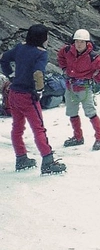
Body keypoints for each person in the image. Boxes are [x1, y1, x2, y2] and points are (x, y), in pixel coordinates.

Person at [1, 24, 66, 174]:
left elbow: (3, 59)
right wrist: (39, 90)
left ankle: (21, 157)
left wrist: (10, 75)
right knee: (38, 128)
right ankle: (48, 160)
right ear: (42, 38)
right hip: (28, 95)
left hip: (14, 93)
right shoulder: (41, 53)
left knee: (17, 128)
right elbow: (38, 73)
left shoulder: (20, 47)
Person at [57, 29, 100, 150]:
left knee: (90, 112)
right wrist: (64, 68)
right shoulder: (67, 50)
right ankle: (78, 137)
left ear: (87, 43)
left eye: (82, 42)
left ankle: (99, 138)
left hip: (84, 88)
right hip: (70, 87)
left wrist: (95, 80)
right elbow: (60, 56)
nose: (79, 44)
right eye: (77, 41)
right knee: (72, 113)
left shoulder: (93, 57)